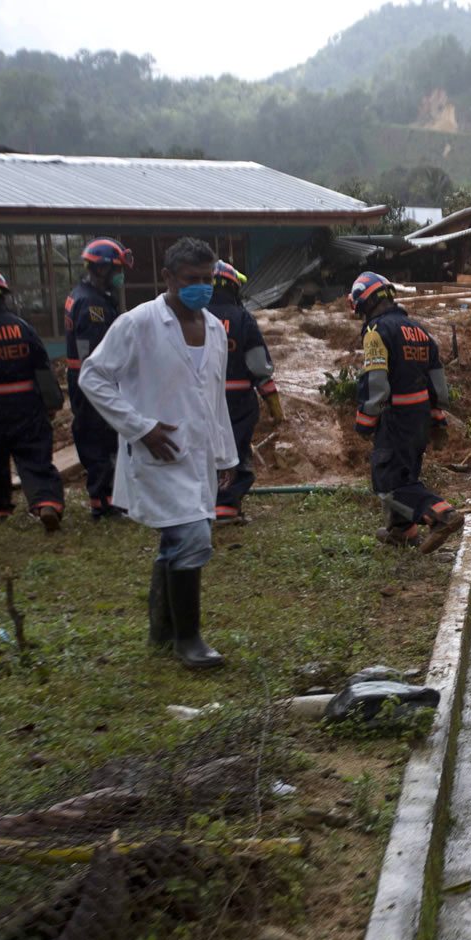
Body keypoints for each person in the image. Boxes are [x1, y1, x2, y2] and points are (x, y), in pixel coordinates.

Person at [79, 238, 238, 670]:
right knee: (192, 537)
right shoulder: (137, 323)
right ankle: (189, 640)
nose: (201, 288)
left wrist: (225, 454)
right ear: (167, 278)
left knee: (179, 537)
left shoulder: (215, 328)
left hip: (199, 454)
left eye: (207, 280)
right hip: (158, 453)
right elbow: (92, 378)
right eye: (191, 280)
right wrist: (140, 427)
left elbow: (214, 396)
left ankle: (162, 629)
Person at [348, 271, 463, 554]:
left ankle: (441, 514)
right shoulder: (419, 331)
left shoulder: (376, 331)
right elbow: (437, 380)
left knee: (389, 484)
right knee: (405, 474)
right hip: (420, 416)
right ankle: (402, 531)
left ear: (364, 303)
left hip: (396, 417)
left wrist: (366, 420)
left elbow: (376, 381)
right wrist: (437, 417)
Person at [0, 267, 65, 531]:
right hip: (27, 405)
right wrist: (52, 403)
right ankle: (47, 502)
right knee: (35, 456)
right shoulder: (23, 328)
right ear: (3, 296)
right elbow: (42, 367)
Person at [206, 261, 282, 524]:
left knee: (203, 450)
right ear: (233, 288)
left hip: (199, 399)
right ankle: (226, 508)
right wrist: (272, 401)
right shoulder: (243, 318)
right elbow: (259, 365)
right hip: (236, 400)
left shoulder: (192, 315)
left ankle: (201, 506)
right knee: (235, 450)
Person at [65, 237, 132, 519]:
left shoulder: (86, 295)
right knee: (99, 437)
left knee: (102, 436)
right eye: (117, 269)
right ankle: (104, 502)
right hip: (94, 379)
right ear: (103, 269)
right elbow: (96, 351)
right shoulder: (92, 305)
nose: (121, 275)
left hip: (85, 377)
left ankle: (107, 497)